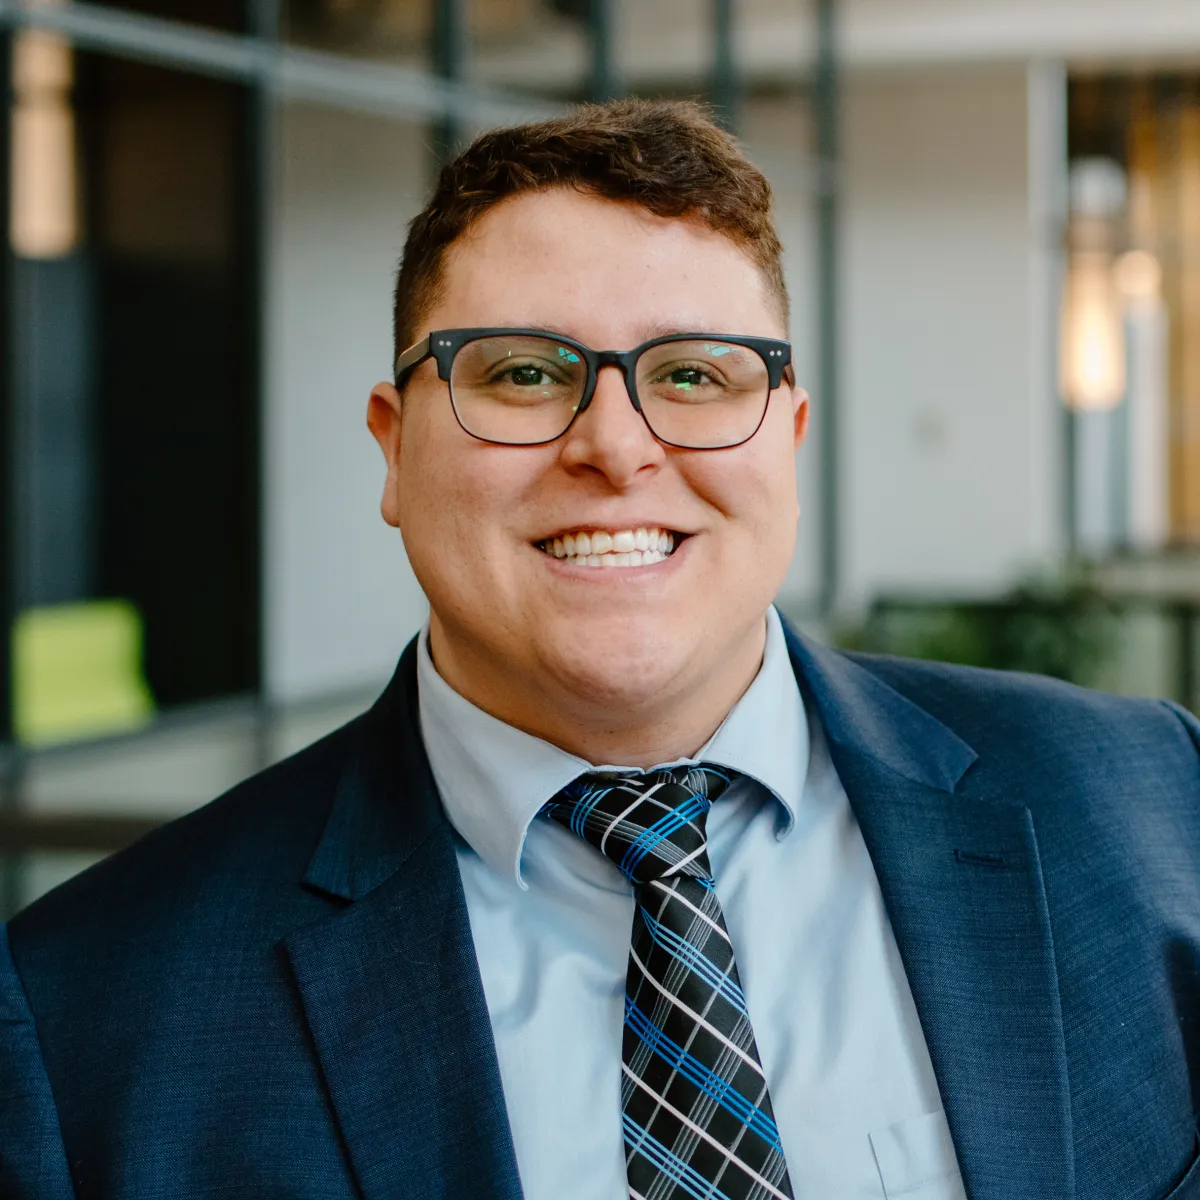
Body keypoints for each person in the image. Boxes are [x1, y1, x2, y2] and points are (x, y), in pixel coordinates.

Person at [3, 98, 1200, 1200]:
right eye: (525, 373)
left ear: (786, 440)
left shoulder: (1156, 808)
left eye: (692, 374)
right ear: (392, 446)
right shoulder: (83, 1017)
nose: (616, 447)